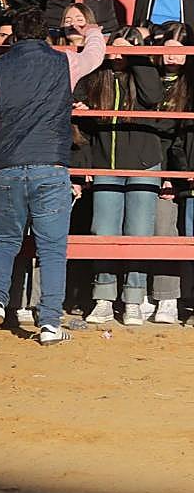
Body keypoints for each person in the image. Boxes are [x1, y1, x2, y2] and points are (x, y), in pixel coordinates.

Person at [0, 6, 107, 345]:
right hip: (50, 163)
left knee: (5, 241)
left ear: (13, 36)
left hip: (7, 164)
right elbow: (96, 55)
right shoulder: (64, 61)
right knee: (52, 249)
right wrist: (90, 29)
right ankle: (48, 323)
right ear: (47, 34)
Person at [74, 26, 164, 326]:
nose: (117, 54)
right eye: (113, 47)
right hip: (105, 165)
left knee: (139, 233)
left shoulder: (144, 77)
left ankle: (134, 299)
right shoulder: (96, 77)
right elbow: (81, 127)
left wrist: (138, 58)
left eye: (126, 48)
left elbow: (153, 96)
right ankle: (103, 297)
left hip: (143, 164)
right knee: (103, 231)